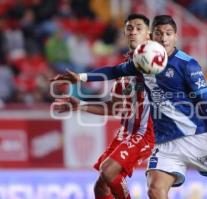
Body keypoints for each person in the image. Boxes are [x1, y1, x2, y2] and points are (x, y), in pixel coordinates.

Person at [52, 15, 207, 198]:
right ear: (153, 36)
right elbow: (114, 72)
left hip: (195, 137)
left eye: (168, 33)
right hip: (166, 144)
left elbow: (205, 103)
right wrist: (80, 77)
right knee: (154, 191)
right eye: (160, 33)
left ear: (175, 36)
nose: (164, 38)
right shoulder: (142, 62)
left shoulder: (188, 64)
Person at [53, 13, 154, 199]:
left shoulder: (155, 63)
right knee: (100, 188)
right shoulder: (123, 71)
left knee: (109, 172)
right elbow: (114, 108)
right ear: (124, 33)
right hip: (126, 133)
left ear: (148, 34)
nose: (133, 32)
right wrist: (80, 105)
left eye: (139, 28)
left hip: (146, 134)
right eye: (129, 28)